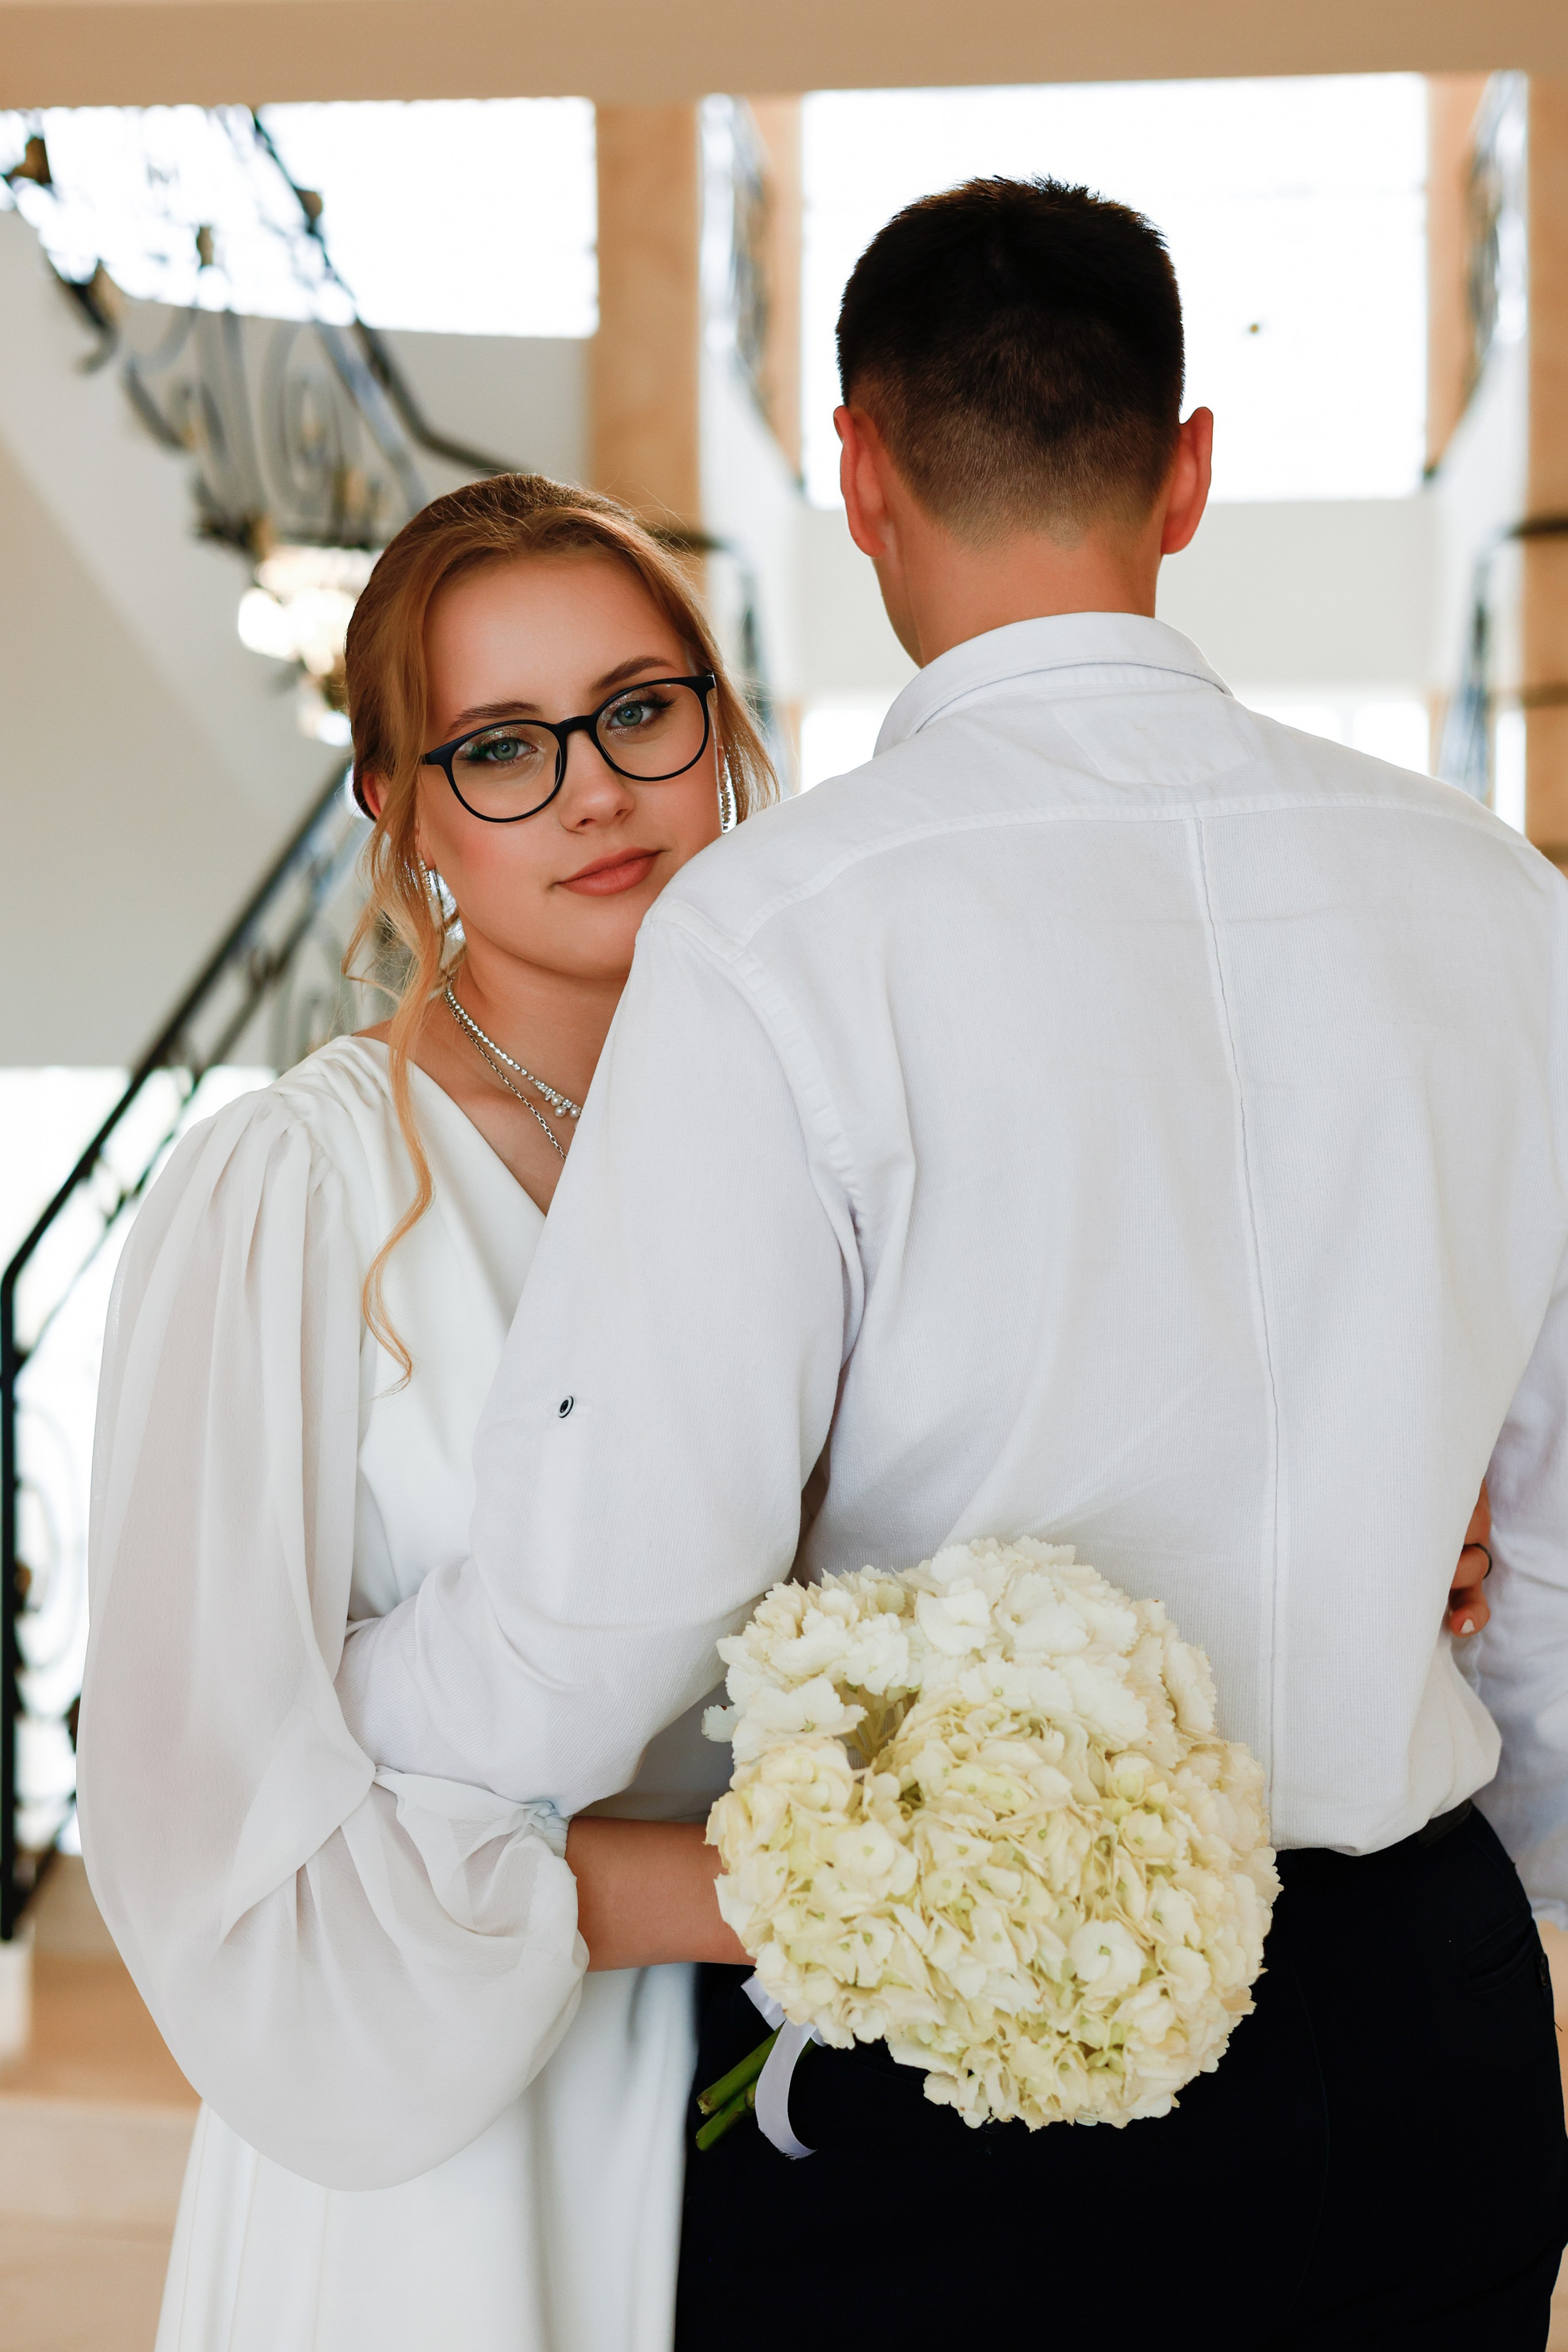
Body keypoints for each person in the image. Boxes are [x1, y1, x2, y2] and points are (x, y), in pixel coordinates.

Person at [334, 178, 1568, 2348]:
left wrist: (324, 1715)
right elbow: (1552, 1556)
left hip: (960, 2030)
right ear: (1188, 472)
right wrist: (1504, 1899)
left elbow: (623, 1580)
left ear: (861, 471)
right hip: (1423, 2027)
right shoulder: (1504, 906)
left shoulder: (788, 924)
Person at [77, 477, 760, 2352]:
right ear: (403, 809)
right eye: (502, 748)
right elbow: (215, 1812)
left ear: (719, 723)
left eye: (639, 709)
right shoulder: (294, 1195)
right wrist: (762, 1893)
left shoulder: (825, 1163)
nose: (598, 791)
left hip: (823, 2121)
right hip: (443, 2153)